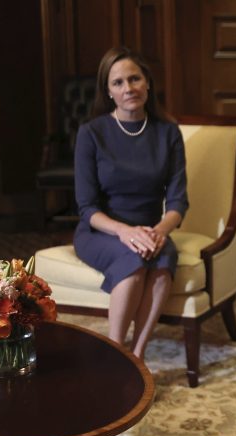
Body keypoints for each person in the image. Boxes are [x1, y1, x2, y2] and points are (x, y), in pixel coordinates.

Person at [74, 47, 189, 359]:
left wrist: (160, 232)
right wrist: (125, 232)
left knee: (163, 261)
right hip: (101, 232)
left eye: (135, 79)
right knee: (135, 263)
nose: (129, 88)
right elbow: (86, 207)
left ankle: (136, 357)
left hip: (151, 230)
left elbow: (178, 201)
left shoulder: (168, 132)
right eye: (119, 83)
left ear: (147, 83)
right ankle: (115, 352)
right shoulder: (91, 133)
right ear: (108, 92)